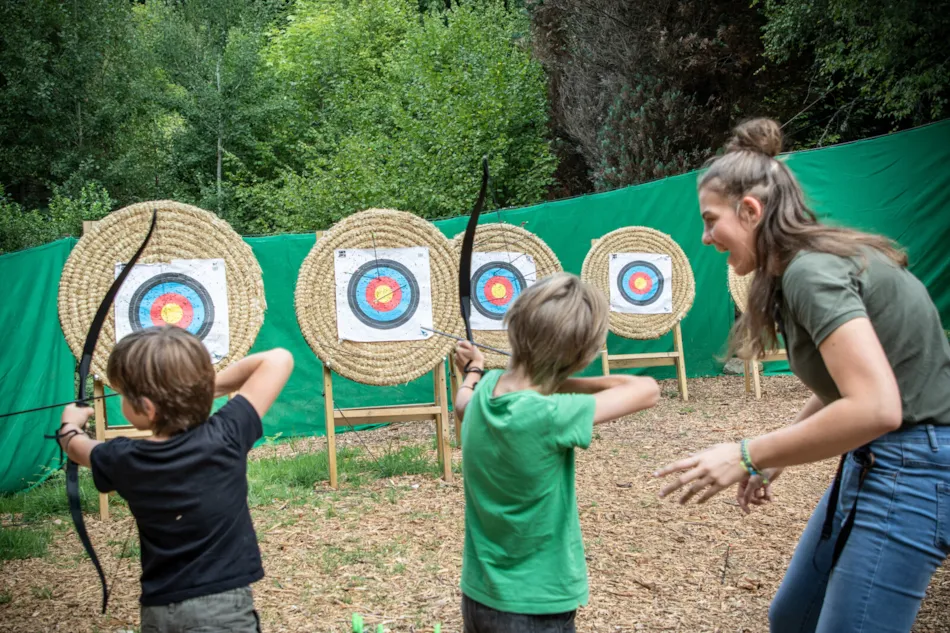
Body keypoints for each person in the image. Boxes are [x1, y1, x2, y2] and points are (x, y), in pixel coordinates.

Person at [653, 117, 950, 632]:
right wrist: (774, 459)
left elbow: (877, 406)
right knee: (794, 618)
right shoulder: (801, 267)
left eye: (710, 220)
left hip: (918, 466)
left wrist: (748, 453)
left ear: (750, 211)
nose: (705, 238)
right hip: (884, 457)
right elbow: (847, 386)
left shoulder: (812, 273)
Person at [453, 272, 661, 632]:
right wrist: (552, 380)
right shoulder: (549, 414)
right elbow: (646, 389)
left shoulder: (485, 391)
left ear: (515, 323)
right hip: (536, 606)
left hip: (478, 598)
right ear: (579, 357)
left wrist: (474, 369)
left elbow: (462, 403)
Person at [57, 325, 294, 633]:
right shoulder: (227, 435)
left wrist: (69, 424)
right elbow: (279, 359)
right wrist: (196, 389)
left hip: (158, 611)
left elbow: (75, 447)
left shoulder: (123, 458)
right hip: (224, 611)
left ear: (148, 409)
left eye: (124, 395)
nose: (121, 400)